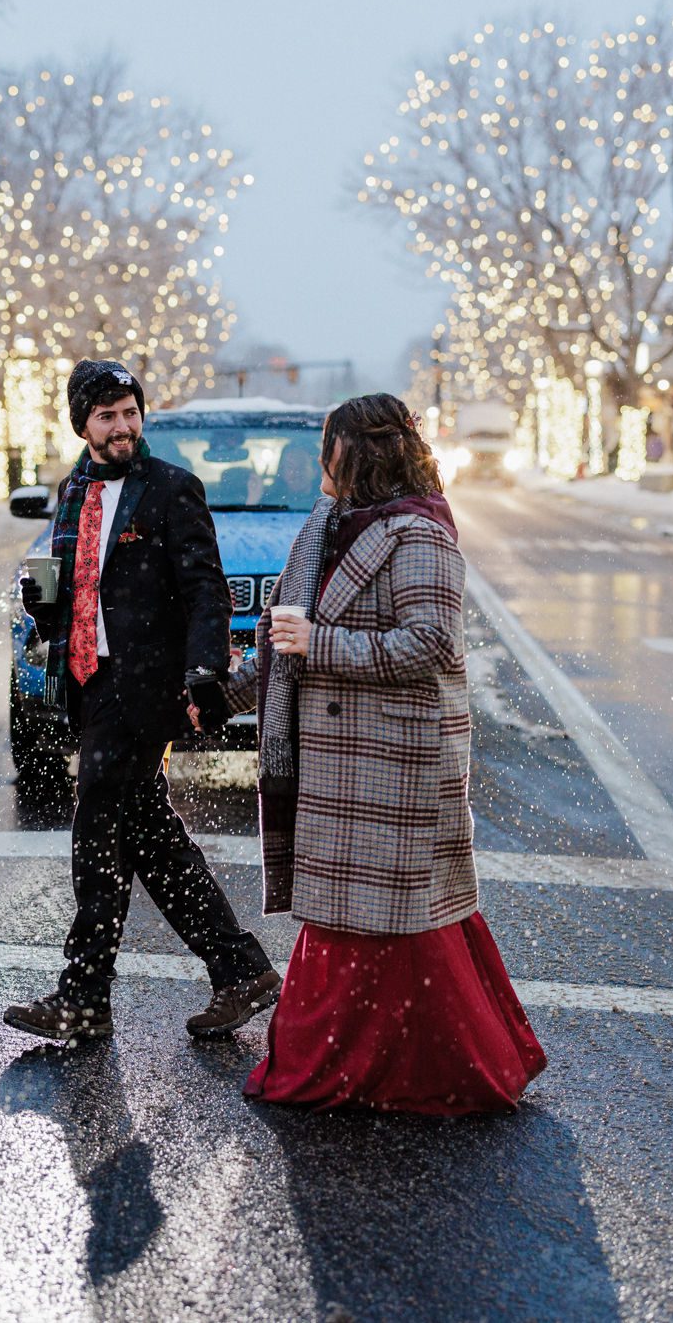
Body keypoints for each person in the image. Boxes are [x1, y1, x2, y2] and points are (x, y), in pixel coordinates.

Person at [226, 393, 546, 1115]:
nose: (320, 460)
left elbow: (430, 643)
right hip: (343, 762)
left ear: (361, 454)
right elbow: (286, 637)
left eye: (329, 445)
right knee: (365, 919)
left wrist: (324, 646)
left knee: (391, 924)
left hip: (394, 762)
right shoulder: (328, 528)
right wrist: (221, 698)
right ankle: (377, 1062)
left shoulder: (419, 535)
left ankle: (404, 1067)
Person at [4, 358, 280, 1043]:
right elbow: (66, 580)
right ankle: (238, 969)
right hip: (88, 687)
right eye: (108, 416)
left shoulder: (170, 490)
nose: (123, 425)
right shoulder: (74, 492)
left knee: (96, 837)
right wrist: (45, 607)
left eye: (130, 412)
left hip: (143, 690)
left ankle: (83, 993)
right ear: (83, 425)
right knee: (150, 840)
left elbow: (205, 591)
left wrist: (204, 677)